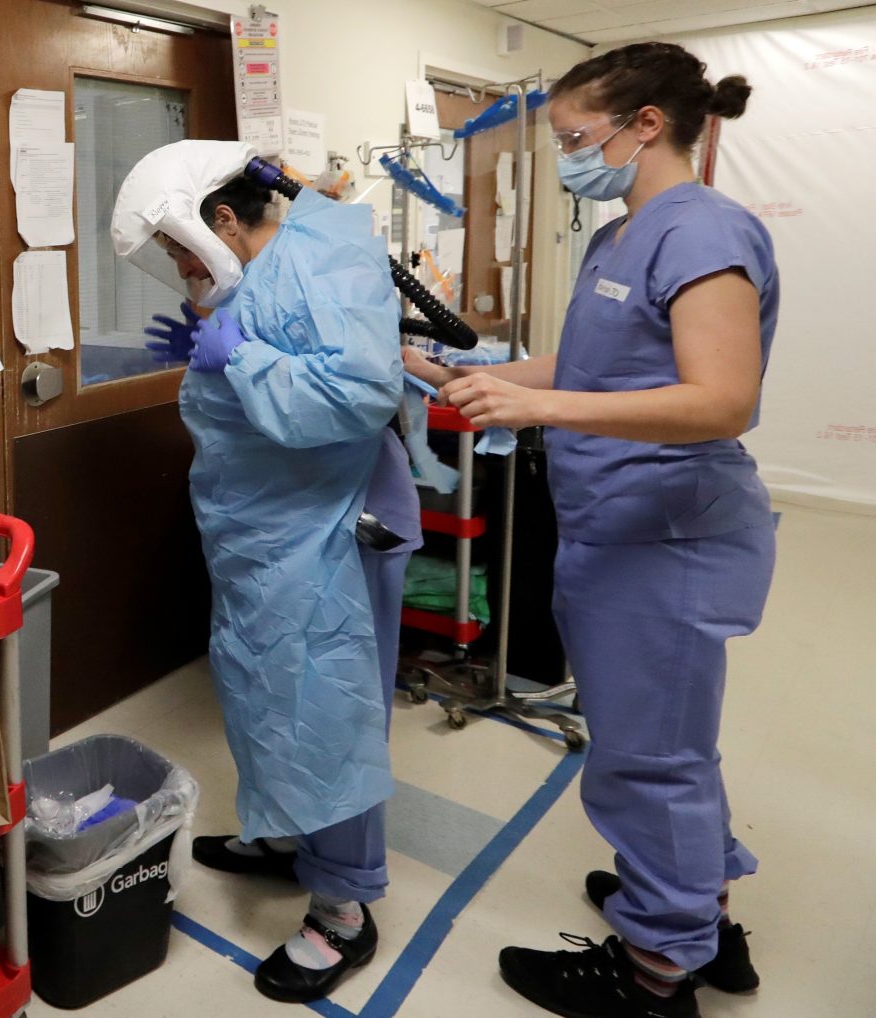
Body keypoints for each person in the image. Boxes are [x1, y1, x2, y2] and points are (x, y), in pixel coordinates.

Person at [407, 43, 775, 1018]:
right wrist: (448, 370)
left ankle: (657, 977)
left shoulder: (701, 231)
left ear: (644, 124)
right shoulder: (624, 233)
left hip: (670, 543)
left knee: (649, 762)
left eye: (574, 137)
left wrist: (546, 413)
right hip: (617, 535)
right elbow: (582, 365)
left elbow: (722, 398)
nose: (569, 153)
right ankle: (701, 917)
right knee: (661, 748)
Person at [114, 140, 419, 1004]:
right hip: (268, 521)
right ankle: (287, 835)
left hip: (330, 523)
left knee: (330, 704)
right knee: (262, 683)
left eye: (176, 248)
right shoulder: (267, 258)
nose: (176, 266)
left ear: (219, 221)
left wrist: (237, 357)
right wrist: (221, 344)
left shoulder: (323, 254)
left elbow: (358, 393)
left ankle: (343, 911)